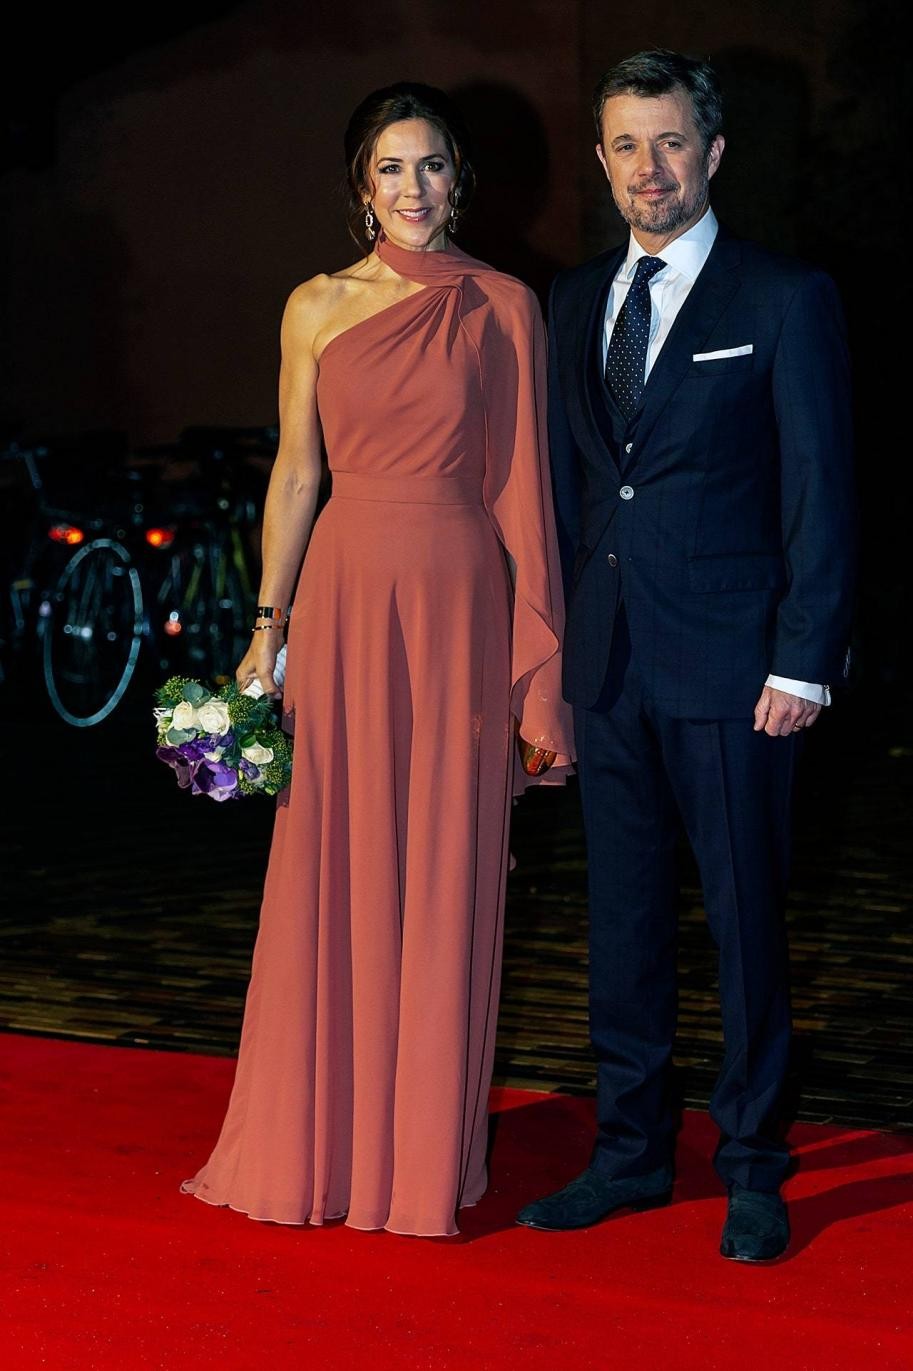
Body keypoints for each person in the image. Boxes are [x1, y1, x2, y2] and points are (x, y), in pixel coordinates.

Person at [181, 83, 573, 1238]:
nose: (415, 187)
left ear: (459, 180)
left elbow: (522, 488)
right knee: (334, 858)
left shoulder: (503, 305)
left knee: (443, 861)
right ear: (361, 185)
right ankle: (320, 1142)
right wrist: (267, 629)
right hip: (344, 599)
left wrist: (536, 668)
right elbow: (298, 473)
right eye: (393, 167)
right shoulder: (314, 305)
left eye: (433, 165)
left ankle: (415, 1164)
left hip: (456, 602)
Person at [517, 50, 855, 1261]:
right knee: (621, 922)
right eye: (625, 145)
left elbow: (820, 488)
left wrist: (803, 660)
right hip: (606, 667)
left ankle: (754, 1165)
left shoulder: (781, 297)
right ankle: (629, 1154)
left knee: (745, 924)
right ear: (601, 160)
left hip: (734, 672)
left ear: (710, 153)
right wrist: (543, 663)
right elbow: (568, 494)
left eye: (668, 142)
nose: (647, 168)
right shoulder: (570, 302)